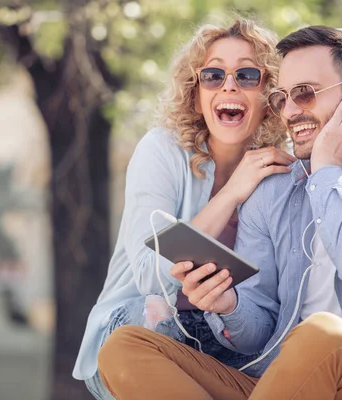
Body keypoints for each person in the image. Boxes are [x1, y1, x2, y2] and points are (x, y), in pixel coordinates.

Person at [97, 24, 342, 400]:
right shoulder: (276, 191)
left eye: (304, 94)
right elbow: (259, 327)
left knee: (323, 335)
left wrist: (326, 169)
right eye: (281, 98)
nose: (289, 111)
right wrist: (231, 305)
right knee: (124, 347)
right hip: (280, 386)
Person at [72, 18, 298, 400]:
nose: (229, 85)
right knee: (156, 313)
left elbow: (270, 308)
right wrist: (230, 195)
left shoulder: (281, 173)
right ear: (195, 95)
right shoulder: (161, 151)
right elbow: (149, 276)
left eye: (247, 75)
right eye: (212, 75)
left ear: (270, 96)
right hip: (139, 330)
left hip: (229, 339)